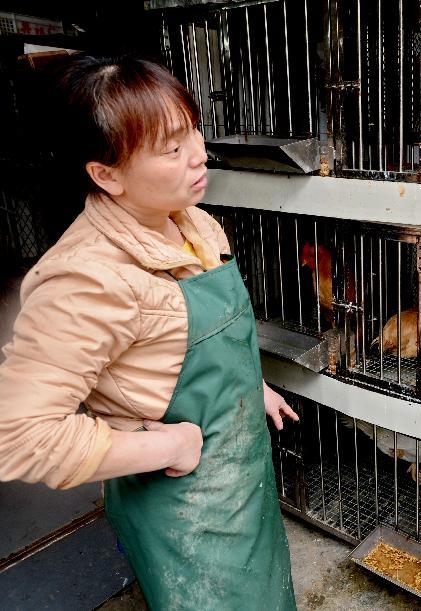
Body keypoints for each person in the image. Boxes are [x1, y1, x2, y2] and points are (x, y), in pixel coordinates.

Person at [0, 55, 298, 609]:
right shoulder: (87, 278)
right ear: (106, 174)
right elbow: (18, 436)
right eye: (171, 148)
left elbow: (189, 344)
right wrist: (170, 443)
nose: (199, 155)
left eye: (193, 131)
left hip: (242, 483)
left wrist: (248, 386)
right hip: (184, 512)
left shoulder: (194, 222)